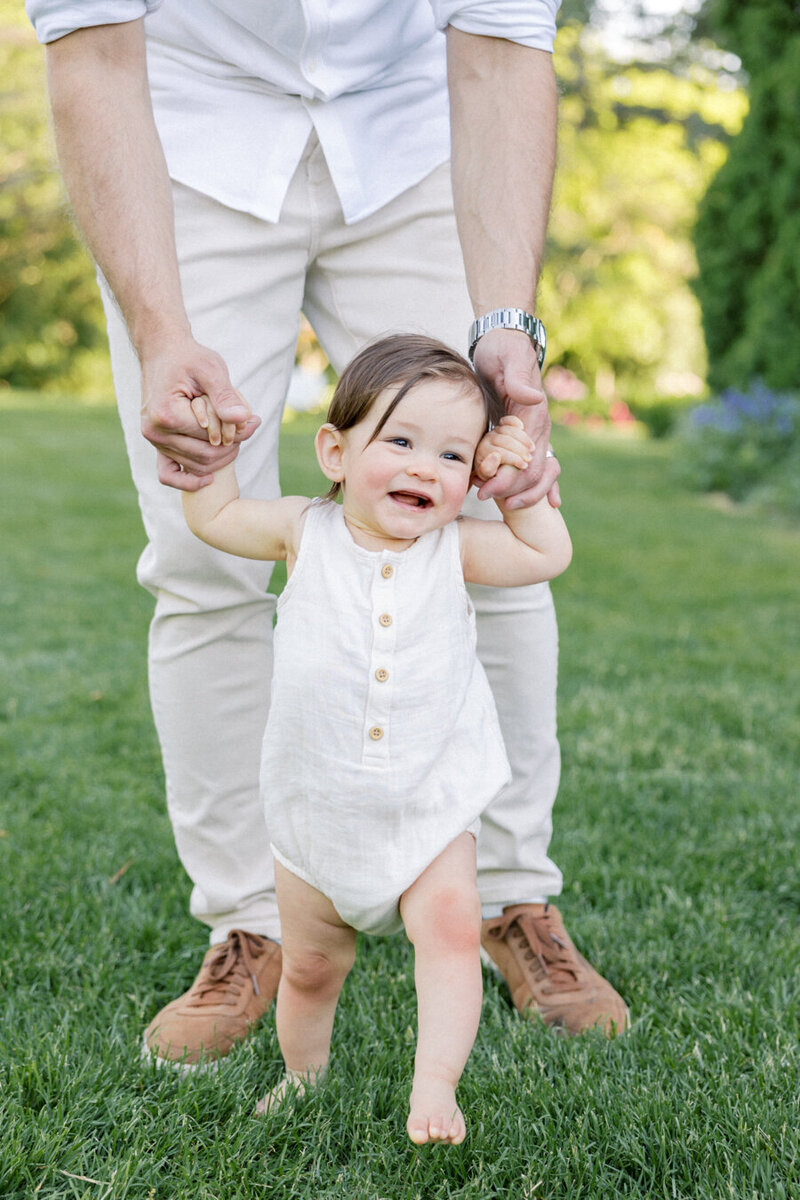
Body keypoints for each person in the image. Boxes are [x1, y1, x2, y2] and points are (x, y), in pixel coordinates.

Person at [26, 0, 629, 1066]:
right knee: (198, 554)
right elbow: (97, 58)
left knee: (482, 521)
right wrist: (161, 334)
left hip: (418, 137)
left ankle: (509, 898)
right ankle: (250, 919)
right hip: (187, 146)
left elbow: (498, 55)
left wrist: (503, 328)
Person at [182, 335, 574, 1143]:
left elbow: (547, 552)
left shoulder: (451, 549)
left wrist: (514, 484)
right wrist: (213, 456)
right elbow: (213, 517)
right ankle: (304, 1074)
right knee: (314, 967)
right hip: (316, 814)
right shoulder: (303, 532)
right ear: (335, 450)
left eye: (453, 454)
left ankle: (435, 1088)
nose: (426, 468)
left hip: (430, 809)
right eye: (399, 441)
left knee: (453, 931)